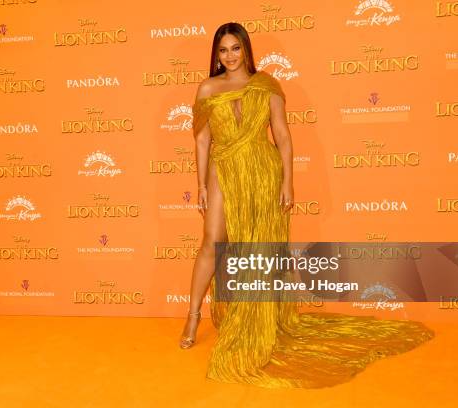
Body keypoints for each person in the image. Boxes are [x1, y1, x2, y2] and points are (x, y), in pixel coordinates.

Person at [179, 22, 434, 388]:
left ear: (247, 49)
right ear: (215, 55)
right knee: (210, 242)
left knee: (258, 248)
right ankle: (192, 316)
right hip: (223, 169)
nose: (230, 56)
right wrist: (200, 184)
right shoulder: (207, 88)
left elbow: (282, 135)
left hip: (262, 172)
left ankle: (255, 318)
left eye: (236, 48)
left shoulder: (267, 85)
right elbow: (202, 141)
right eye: (223, 50)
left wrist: (288, 181)